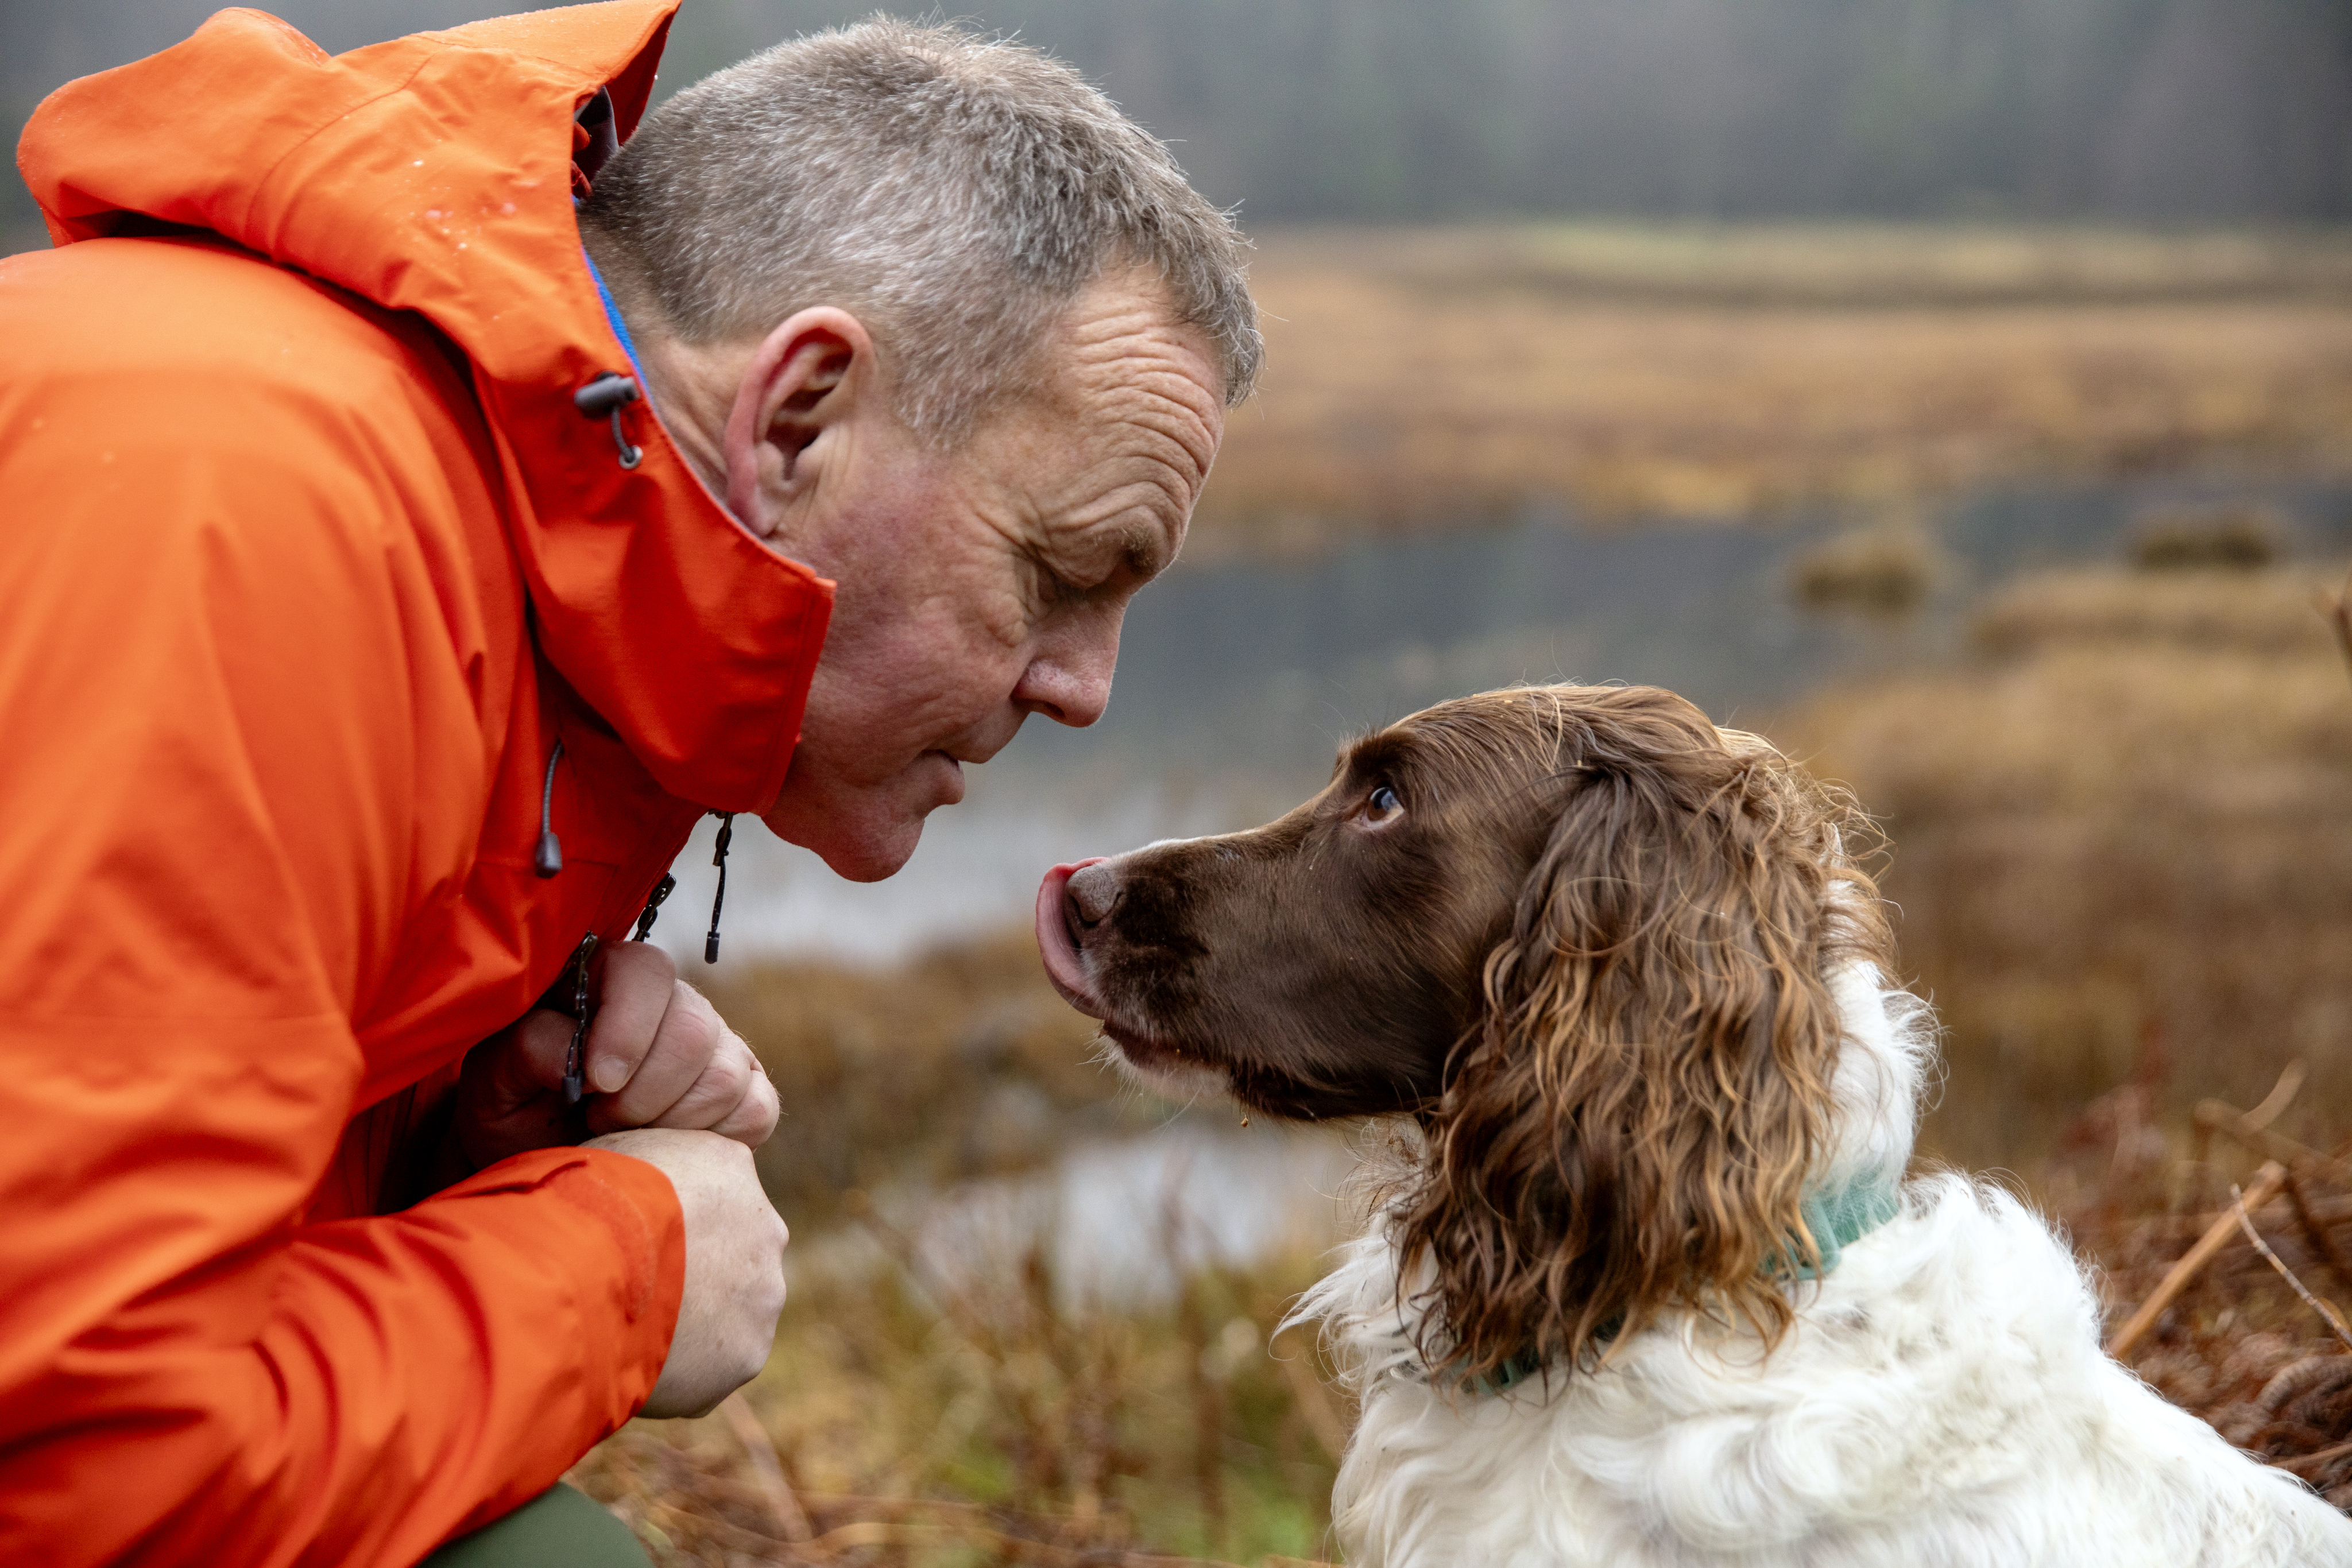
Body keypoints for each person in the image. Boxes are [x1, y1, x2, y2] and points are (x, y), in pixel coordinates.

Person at [0, 2, 1259, 1562]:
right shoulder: (257, 531)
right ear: (797, 418)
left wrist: (468, 1142)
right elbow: (74, 1470)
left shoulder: (491, 554)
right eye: (1065, 570)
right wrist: (624, 1264)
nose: (1086, 687)